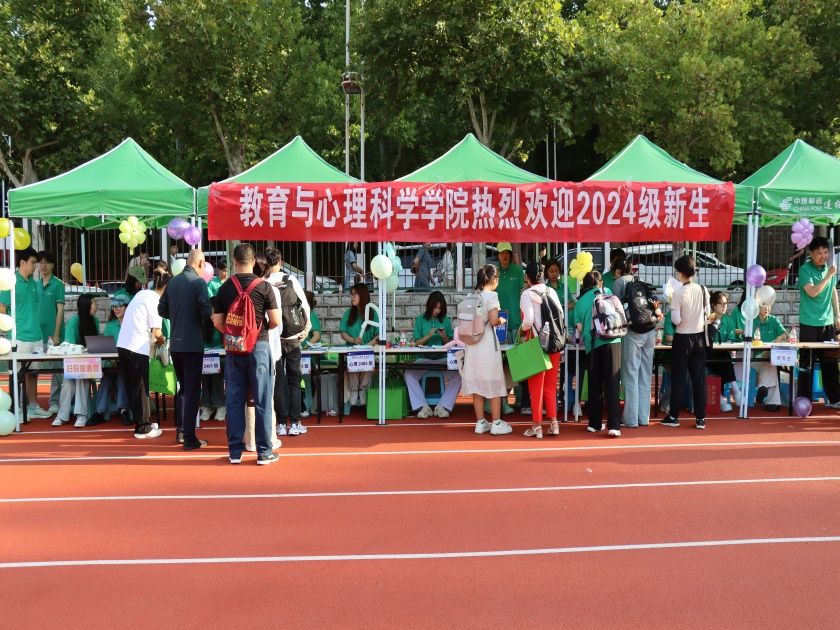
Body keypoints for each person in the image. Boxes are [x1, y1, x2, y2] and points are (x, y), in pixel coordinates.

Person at [212, 243, 281, 465]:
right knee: (262, 399)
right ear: (254, 261)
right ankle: (264, 452)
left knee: (234, 400)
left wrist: (234, 334)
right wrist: (258, 330)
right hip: (259, 347)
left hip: (234, 349)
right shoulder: (264, 287)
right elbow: (276, 321)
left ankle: (234, 452)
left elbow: (218, 321)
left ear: (234, 262)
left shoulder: (224, 288)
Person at [158, 249, 212, 450]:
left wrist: (178, 316)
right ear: (200, 263)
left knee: (183, 389)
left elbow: (161, 309)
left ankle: (181, 432)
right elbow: (206, 311)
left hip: (176, 344)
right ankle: (189, 438)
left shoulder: (172, 282)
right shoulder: (199, 283)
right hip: (192, 345)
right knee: (192, 392)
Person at [117, 269, 169, 439]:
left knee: (133, 387)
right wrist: (163, 341)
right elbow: (157, 332)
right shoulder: (155, 301)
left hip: (123, 345)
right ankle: (143, 427)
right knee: (141, 387)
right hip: (136, 347)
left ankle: (140, 421)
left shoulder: (142, 294)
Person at [0, 247, 52, 419]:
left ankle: (33, 406)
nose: (36, 266)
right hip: (19, 337)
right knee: (17, 374)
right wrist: (10, 330)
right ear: (22, 262)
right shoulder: (11, 283)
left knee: (33, 373)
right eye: (33, 262)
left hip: (36, 336)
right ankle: (17, 408)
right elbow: (2, 308)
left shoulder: (33, 283)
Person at [265, 247, 311, 437]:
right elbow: (304, 305)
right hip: (293, 338)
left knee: (278, 382)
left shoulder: (265, 283)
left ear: (266, 263)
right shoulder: (290, 279)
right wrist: (306, 329)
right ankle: (296, 423)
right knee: (294, 381)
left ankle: (281, 423)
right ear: (281, 261)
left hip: (274, 340)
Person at [461, 264, 512, 436]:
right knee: (494, 382)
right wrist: (502, 320)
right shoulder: (492, 296)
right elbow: (493, 320)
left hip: (472, 344)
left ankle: (480, 422)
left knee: (477, 385)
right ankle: (496, 422)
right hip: (487, 344)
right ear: (494, 279)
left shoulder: (471, 296)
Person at [661, 255, 711, 430]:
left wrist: (674, 305)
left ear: (681, 273)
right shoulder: (703, 289)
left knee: (679, 378)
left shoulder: (678, 293)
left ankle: (674, 416)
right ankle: (700, 419)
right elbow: (707, 313)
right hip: (700, 338)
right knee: (699, 379)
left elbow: (675, 320)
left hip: (682, 338)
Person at [573, 271, 622, 437]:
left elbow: (580, 328)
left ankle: (594, 423)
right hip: (613, 340)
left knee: (595, 384)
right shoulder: (607, 292)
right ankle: (614, 425)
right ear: (600, 283)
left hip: (593, 344)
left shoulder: (579, 302)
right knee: (612, 383)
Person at [614, 259, 662, 428]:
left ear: (618, 271)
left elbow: (616, 308)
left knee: (630, 374)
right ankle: (643, 417)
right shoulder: (641, 283)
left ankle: (631, 419)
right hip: (650, 330)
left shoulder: (619, 282)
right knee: (645, 374)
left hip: (633, 332)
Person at [519, 262, 563, 438]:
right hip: (554, 343)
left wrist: (521, 330)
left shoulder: (527, 294)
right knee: (551, 385)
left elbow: (528, 320)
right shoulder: (552, 291)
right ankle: (554, 422)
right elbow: (561, 314)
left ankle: (537, 425)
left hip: (536, 343)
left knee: (536, 386)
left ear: (527, 277)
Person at [797, 237, 840, 408]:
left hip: (827, 323)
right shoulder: (804, 270)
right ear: (811, 254)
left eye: (825, 252)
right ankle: (804, 400)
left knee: (830, 363)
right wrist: (829, 276)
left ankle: (835, 399)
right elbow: (813, 292)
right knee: (806, 364)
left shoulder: (829, 269)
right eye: (819, 253)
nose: (823, 256)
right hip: (809, 323)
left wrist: (837, 315)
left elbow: (833, 292)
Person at [404, 291, 461, 419]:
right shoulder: (420, 320)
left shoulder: (445, 320)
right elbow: (416, 343)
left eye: (440, 308)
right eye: (435, 307)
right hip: (424, 359)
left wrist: (444, 336)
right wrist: (428, 336)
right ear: (429, 305)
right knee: (408, 374)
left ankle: (443, 406)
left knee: (459, 375)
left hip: (442, 359)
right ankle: (422, 406)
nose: (437, 311)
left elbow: (451, 343)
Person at [51, 294, 100, 428]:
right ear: (86, 306)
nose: (96, 306)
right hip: (73, 362)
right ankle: (63, 415)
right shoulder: (73, 322)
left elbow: (95, 344)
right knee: (68, 383)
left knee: (81, 379)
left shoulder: (95, 321)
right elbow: (68, 346)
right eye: (94, 303)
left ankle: (81, 415)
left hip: (88, 364)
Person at [88, 294, 131, 426]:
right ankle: (100, 412)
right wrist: (111, 359)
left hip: (128, 364)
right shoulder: (110, 325)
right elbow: (105, 348)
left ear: (127, 307)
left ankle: (123, 410)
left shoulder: (133, 324)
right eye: (114, 306)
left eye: (120, 306)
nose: (116, 309)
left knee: (121, 377)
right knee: (107, 377)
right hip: (112, 363)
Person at [339, 282, 378, 413]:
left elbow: (378, 336)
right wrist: (353, 340)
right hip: (351, 350)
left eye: (355, 294)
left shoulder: (373, 313)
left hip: (368, 350)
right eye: (351, 294)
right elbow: (343, 333)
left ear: (363, 295)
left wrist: (366, 346)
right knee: (351, 361)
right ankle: (355, 390)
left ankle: (362, 389)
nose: (352, 297)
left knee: (368, 360)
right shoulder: (349, 313)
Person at [495, 241, 524, 414]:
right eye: (501, 253)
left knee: (518, 363)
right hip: (499, 326)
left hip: (516, 324)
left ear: (511, 254)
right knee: (500, 364)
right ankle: (502, 399)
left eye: (507, 252)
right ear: (498, 255)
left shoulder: (518, 272)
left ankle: (520, 400)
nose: (504, 255)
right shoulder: (495, 274)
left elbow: (524, 292)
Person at [36, 250, 66, 414]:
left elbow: (60, 311)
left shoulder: (57, 284)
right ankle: (31, 403)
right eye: (40, 262)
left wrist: (56, 334)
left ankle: (55, 402)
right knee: (33, 369)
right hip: (36, 335)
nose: (43, 265)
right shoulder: (35, 284)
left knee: (57, 371)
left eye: (46, 262)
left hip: (53, 335)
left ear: (53, 265)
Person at [706, 291, 743, 412]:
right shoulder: (708, 319)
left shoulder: (729, 320)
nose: (724, 306)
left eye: (726, 303)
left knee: (724, 357)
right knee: (723, 359)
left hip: (721, 355)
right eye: (721, 304)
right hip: (707, 354)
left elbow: (730, 340)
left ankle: (723, 397)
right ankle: (735, 391)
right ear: (713, 305)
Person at [752, 303, 787, 411]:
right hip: (755, 359)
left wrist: (780, 337)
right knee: (770, 361)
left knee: (771, 361)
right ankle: (772, 401)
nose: (767, 308)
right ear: (757, 306)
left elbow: (785, 334)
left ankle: (762, 388)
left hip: (772, 358)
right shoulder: (752, 322)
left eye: (768, 305)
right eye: (764, 305)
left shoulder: (774, 320)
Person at [199, 294, 226, 423]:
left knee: (215, 369)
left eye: (214, 310)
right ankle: (206, 406)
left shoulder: (223, 323)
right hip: (207, 357)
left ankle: (219, 405)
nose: (212, 313)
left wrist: (218, 324)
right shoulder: (203, 324)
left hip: (222, 357)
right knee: (206, 368)